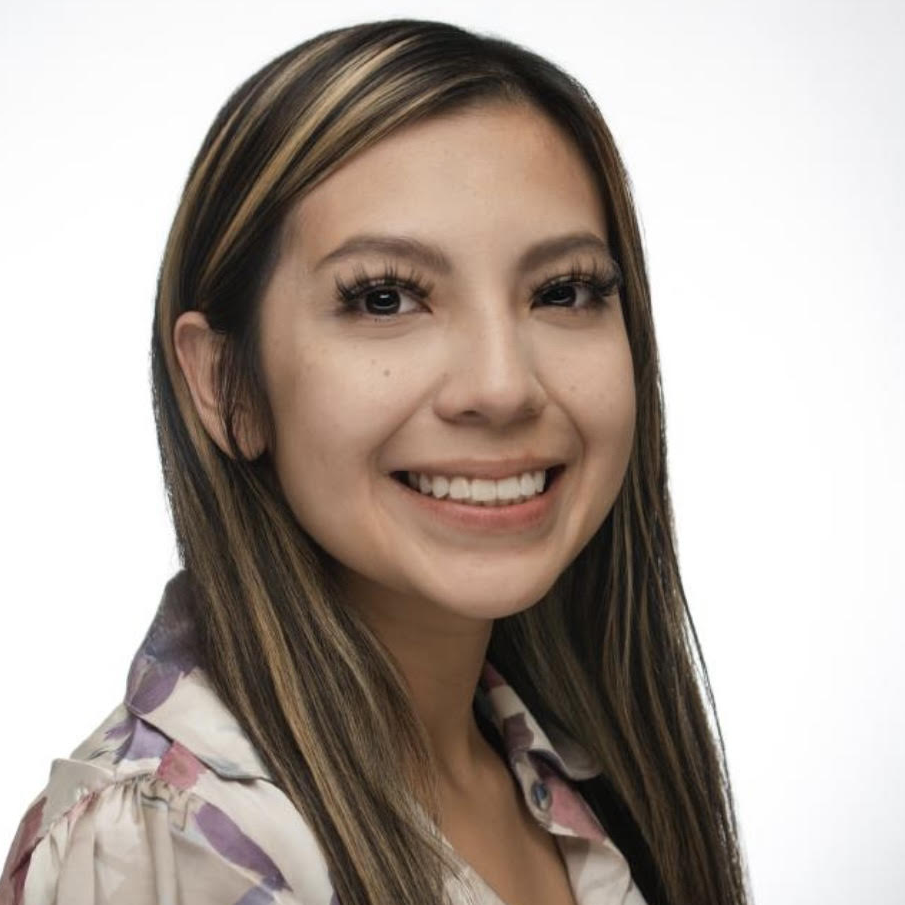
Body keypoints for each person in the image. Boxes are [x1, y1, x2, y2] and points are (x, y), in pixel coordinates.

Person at [0, 17, 752, 905]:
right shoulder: (163, 853)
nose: (503, 386)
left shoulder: (574, 765)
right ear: (227, 384)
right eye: (385, 298)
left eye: (564, 290)